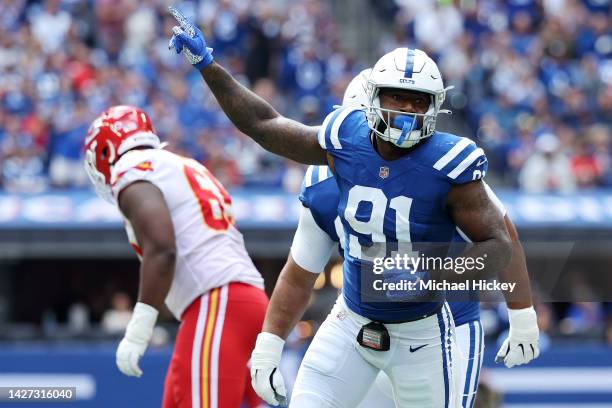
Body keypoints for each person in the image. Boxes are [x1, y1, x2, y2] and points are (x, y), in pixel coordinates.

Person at [168, 9, 537, 407]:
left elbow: (501, 242)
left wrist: (442, 280)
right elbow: (264, 125)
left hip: (430, 328)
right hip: (354, 320)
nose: (405, 113)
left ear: (434, 108)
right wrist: (207, 66)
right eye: (395, 98)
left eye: (418, 102)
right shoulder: (339, 152)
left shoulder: (450, 166)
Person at [83, 105, 268, 408]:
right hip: (241, 302)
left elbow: (163, 248)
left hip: (218, 304)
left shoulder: (132, 170)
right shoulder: (179, 164)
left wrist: (139, 329)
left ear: (104, 151)